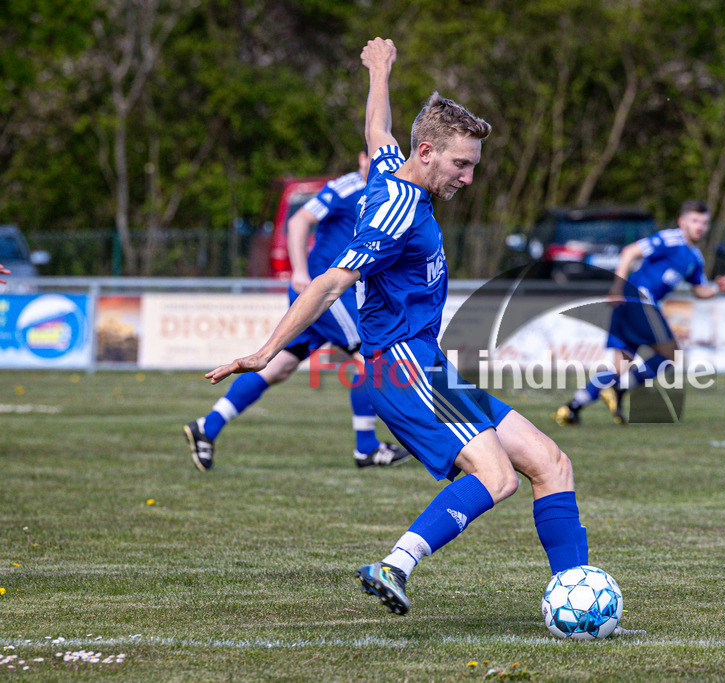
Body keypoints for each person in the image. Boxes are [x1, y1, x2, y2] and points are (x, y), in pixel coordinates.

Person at [206, 37, 589, 616]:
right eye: (461, 165)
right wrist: (266, 351)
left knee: (550, 462)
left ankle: (575, 590)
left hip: (428, 364)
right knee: (498, 476)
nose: (468, 177)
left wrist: (379, 70)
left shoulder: (393, 169)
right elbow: (330, 283)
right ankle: (395, 564)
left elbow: (378, 134)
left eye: (473, 166)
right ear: (430, 152)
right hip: (402, 366)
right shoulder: (396, 212)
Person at [183, 152, 411, 472]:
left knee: (279, 368)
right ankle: (367, 448)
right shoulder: (347, 186)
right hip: (324, 293)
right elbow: (298, 220)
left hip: (334, 294)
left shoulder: (388, 191)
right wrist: (300, 271)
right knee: (369, 355)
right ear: (362, 156)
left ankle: (207, 427)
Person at [553, 200, 725, 425]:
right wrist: (617, 287)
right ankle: (619, 389)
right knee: (672, 354)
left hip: (632, 303)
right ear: (682, 222)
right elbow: (630, 251)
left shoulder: (695, 257)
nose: (699, 226)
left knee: (620, 367)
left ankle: (571, 408)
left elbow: (700, 290)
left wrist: (718, 288)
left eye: (704, 222)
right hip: (637, 297)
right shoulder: (670, 239)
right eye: (694, 221)